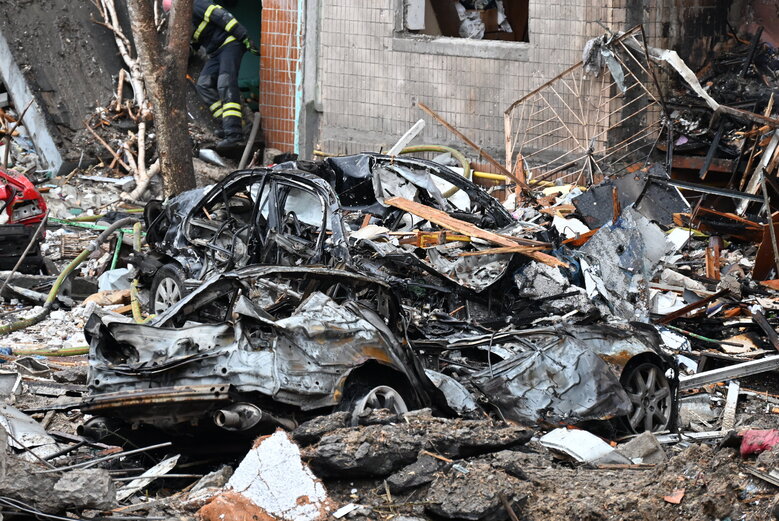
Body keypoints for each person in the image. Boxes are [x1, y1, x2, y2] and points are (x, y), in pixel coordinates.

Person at [163, 0, 259, 149]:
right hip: (215, 52)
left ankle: (234, 135)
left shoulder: (196, 5)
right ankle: (229, 125)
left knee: (225, 84)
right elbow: (195, 44)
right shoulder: (185, 22)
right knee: (203, 84)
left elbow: (221, 16)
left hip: (230, 43)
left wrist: (243, 36)